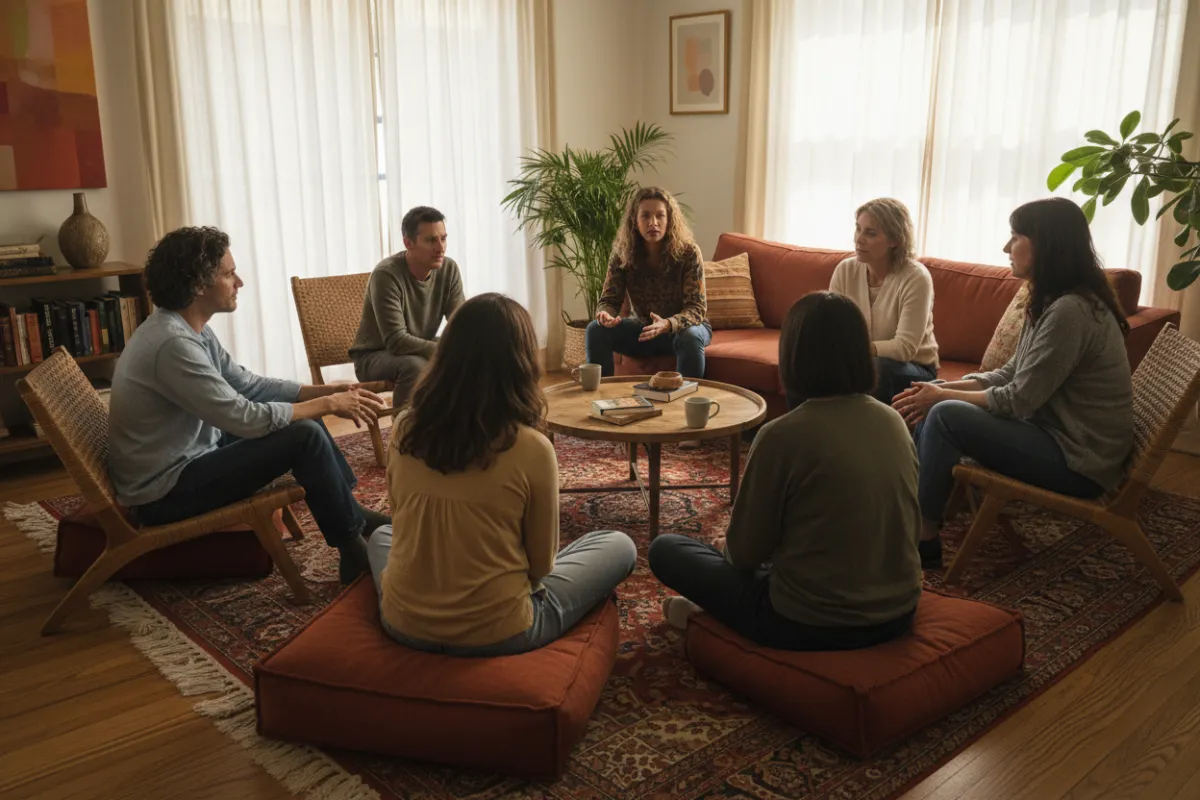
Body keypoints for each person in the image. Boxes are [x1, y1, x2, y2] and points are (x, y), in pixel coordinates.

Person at [108, 226, 390, 583]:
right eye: (229, 274)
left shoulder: (187, 328)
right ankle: (352, 550)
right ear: (198, 285)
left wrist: (321, 392)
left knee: (301, 417)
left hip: (187, 456)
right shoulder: (173, 345)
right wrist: (328, 404)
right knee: (303, 434)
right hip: (164, 493)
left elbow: (247, 385)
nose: (239, 282)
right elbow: (245, 418)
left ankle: (352, 515)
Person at [648, 291, 923, 651]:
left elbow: (744, 555)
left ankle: (708, 618)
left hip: (808, 622)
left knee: (666, 550)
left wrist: (730, 548)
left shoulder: (781, 435)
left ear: (792, 357)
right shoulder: (894, 422)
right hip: (899, 612)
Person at [367, 293, 637, 656]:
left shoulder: (404, 427)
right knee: (619, 545)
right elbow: (541, 566)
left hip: (403, 623)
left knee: (382, 535)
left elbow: (400, 519)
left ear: (445, 357)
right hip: (501, 631)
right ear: (522, 363)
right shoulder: (532, 448)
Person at [893, 197, 1133, 568]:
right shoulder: (1052, 300)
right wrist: (939, 390)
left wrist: (941, 398)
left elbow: (1018, 400)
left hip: (1080, 463)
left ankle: (922, 536)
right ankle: (904, 513)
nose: (1007, 247)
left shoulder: (1070, 312)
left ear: (1047, 245)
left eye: (1016, 236)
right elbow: (1009, 373)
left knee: (944, 414)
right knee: (933, 405)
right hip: (1057, 439)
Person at [585, 186, 710, 380]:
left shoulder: (689, 253)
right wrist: (605, 314)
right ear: (635, 221)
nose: (653, 222)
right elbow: (610, 299)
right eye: (645, 216)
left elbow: (696, 309)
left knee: (690, 336)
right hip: (644, 330)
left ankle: (687, 395)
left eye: (660, 216)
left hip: (682, 329)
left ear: (669, 220)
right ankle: (601, 392)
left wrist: (668, 323)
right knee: (595, 329)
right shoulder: (622, 254)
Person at [826, 197, 939, 406]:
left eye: (870, 233)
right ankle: (806, 426)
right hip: (860, 360)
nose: (859, 239)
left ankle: (875, 427)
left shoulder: (916, 278)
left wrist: (856, 351)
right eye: (858, 229)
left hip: (914, 367)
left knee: (877, 368)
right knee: (805, 360)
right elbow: (831, 328)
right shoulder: (845, 270)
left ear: (894, 240)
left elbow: (905, 348)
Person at [350, 205, 466, 405]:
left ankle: (463, 420)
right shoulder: (386, 275)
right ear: (408, 243)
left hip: (418, 348)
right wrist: (446, 350)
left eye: (443, 238)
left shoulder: (449, 269)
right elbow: (397, 341)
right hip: (374, 356)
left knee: (474, 352)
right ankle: (405, 424)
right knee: (415, 365)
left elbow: (461, 323)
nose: (440, 247)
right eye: (431, 240)